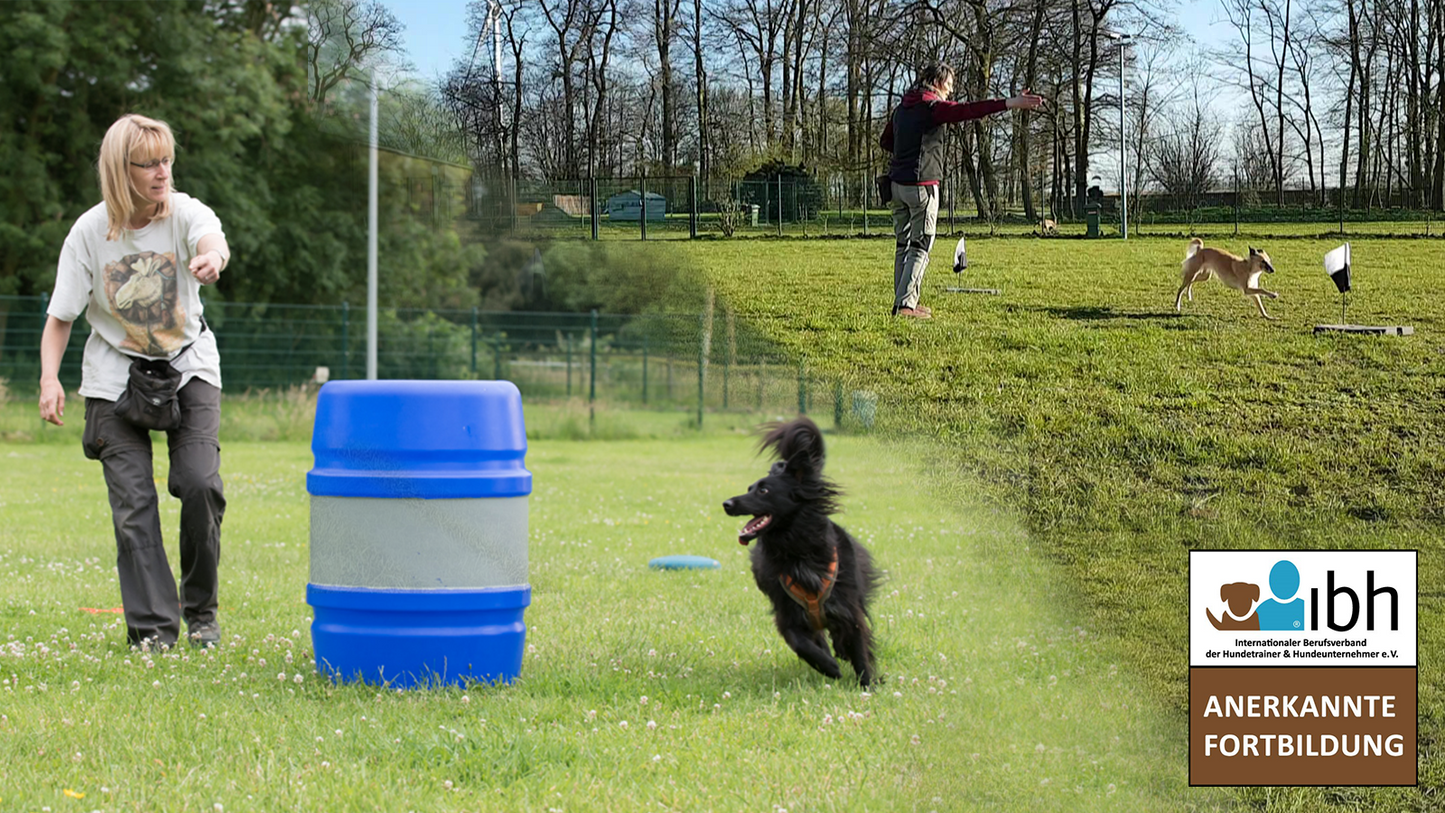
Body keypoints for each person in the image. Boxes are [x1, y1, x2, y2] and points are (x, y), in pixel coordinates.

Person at [38, 114, 230, 650]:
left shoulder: (183, 211)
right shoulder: (88, 232)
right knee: (134, 505)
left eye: (166, 160)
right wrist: (49, 378)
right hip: (113, 376)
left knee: (199, 483)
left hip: (187, 364)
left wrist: (212, 258)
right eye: (148, 164)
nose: (162, 172)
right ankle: (154, 633)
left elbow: (211, 237)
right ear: (120, 170)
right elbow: (60, 317)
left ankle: (201, 613)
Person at [880, 65, 1044, 318]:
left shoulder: (901, 108)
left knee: (903, 245)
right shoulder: (932, 107)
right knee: (921, 245)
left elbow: (886, 141)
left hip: (896, 186)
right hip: (922, 186)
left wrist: (907, 151)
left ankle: (903, 301)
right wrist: (1011, 103)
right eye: (949, 85)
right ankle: (905, 306)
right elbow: (967, 110)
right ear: (937, 82)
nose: (950, 90)